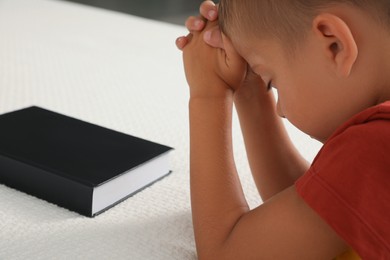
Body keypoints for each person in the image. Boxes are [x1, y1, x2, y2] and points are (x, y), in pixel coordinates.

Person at [176, 0, 390, 259]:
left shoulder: (374, 148)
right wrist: (250, 89)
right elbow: (319, 207)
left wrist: (208, 94)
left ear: (334, 44)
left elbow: (226, 254)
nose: (281, 109)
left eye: (271, 81)